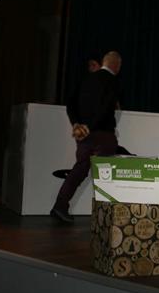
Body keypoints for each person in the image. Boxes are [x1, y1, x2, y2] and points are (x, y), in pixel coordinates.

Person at [51, 51, 122, 222]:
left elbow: (70, 103)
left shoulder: (85, 79)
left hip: (83, 134)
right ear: (116, 65)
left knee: (80, 169)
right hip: (103, 134)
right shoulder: (112, 81)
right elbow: (106, 108)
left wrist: (77, 124)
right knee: (106, 174)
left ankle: (60, 205)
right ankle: (105, 216)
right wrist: (90, 126)